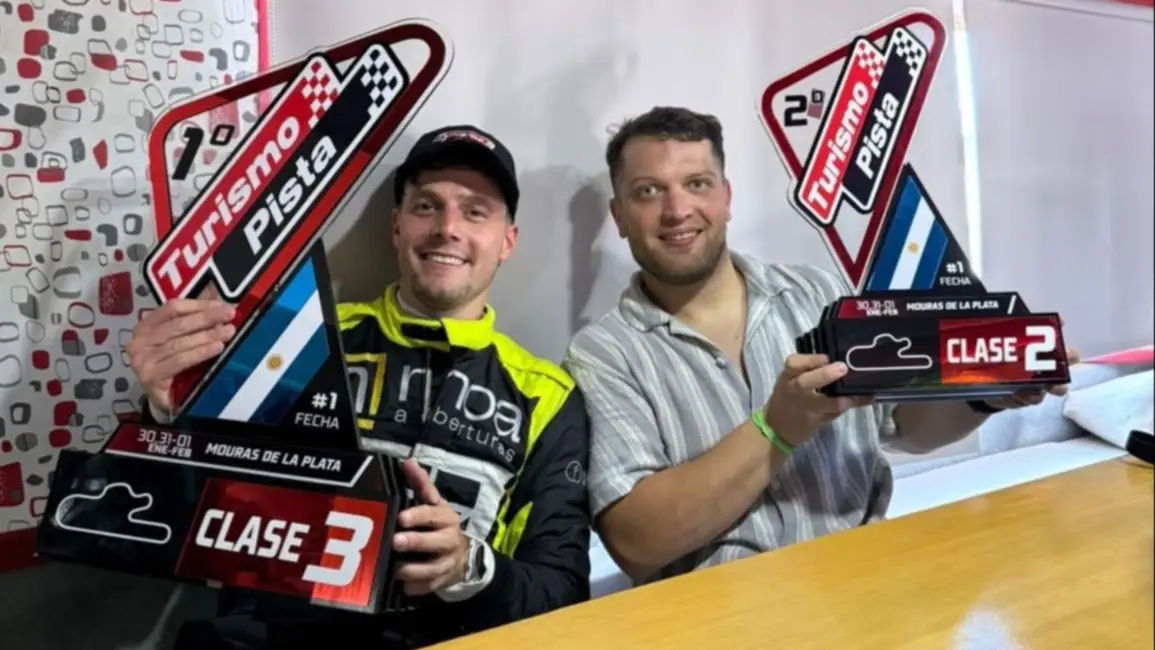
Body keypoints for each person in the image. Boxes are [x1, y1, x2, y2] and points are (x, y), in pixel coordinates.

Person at [562, 106, 1079, 586]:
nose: (678, 210)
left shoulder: (818, 292)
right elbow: (638, 543)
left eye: (697, 184)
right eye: (649, 191)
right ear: (620, 216)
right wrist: (777, 427)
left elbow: (908, 428)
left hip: (867, 582)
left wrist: (984, 393)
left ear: (726, 197)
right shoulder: (603, 355)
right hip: (717, 613)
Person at [127, 125, 592, 648]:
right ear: (397, 226)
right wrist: (167, 410)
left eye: (475, 211)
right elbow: (181, 506)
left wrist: (468, 566)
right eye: (426, 206)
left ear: (507, 240)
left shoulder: (547, 395)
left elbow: (562, 592)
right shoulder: (301, 338)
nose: (447, 228)